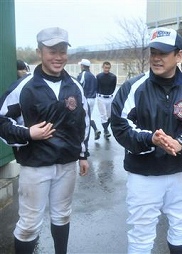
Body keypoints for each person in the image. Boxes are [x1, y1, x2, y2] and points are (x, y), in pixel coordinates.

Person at [111, 27, 182, 254]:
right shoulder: (133, 88)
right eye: (153, 51)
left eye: (163, 53)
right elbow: (120, 125)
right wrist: (150, 139)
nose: (156, 57)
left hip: (179, 172)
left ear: (179, 55)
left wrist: (181, 143)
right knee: (141, 231)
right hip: (143, 175)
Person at [0, 27, 90, 254]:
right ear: (40, 51)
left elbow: (83, 122)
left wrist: (83, 154)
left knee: (62, 215)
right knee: (29, 224)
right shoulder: (23, 87)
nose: (58, 56)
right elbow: (2, 121)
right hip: (36, 166)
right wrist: (28, 134)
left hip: (67, 164)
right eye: (52, 50)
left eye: (62, 50)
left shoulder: (75, 86)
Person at [77, 58, 101, 140]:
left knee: (84, 117)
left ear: (83, 66)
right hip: (93, 98)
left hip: (85, 98)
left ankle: (84, 136)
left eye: (81, 65)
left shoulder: (82, 75)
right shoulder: (93, 75)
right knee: (88, 116)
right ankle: (95, 129)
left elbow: (78, 86)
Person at [96, 61, 117, 139]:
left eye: (108, 68)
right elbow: (97, 86)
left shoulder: (113, 77)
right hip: (101, 97)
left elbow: (114, 86)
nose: (107, 69)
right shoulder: (98, 76)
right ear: (102, 67)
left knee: (109, 116)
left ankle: (106, 129)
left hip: (110, 97)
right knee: (103, 115)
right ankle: (106, 130)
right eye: (105, 67)